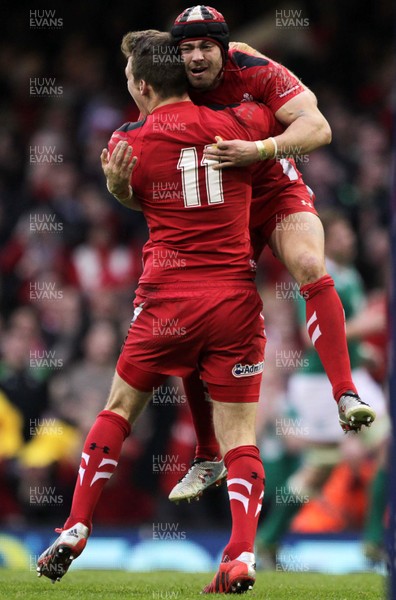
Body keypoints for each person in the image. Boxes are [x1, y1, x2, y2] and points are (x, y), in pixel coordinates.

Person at [36, 30, 279, 594]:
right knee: (240, 436)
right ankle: (240, 554)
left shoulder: (128, 142)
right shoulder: (239, 123)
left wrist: (117, 190)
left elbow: (133, 190)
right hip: (233, 301)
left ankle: (75, 523)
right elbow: (278, 115)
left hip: (166, 300)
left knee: (119, 410)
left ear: (144, 86)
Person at [167, 5, 376, 504]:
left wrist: (259, 150)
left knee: (308, 265)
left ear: (223, 46)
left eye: (205, 47)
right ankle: (207, 453)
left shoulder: (253, 66)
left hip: (274, 188)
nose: (196, 57)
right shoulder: (166, 78)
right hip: (220, 209)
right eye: (187, 48)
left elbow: (318, 127)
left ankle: (345, 394)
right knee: (198, 317)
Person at [255, 210, 390, 564]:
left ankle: (267, 542)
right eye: (344, 234)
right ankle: (375, 539)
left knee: (320, 467)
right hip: (320, 385)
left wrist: (363, 354)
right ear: (327, 238)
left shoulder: (350, 276)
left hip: (347, 378)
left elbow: (344, 339)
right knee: (382, 446)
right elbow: (313, 338)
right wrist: (370, 324)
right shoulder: (315, 273)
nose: (351, 240)